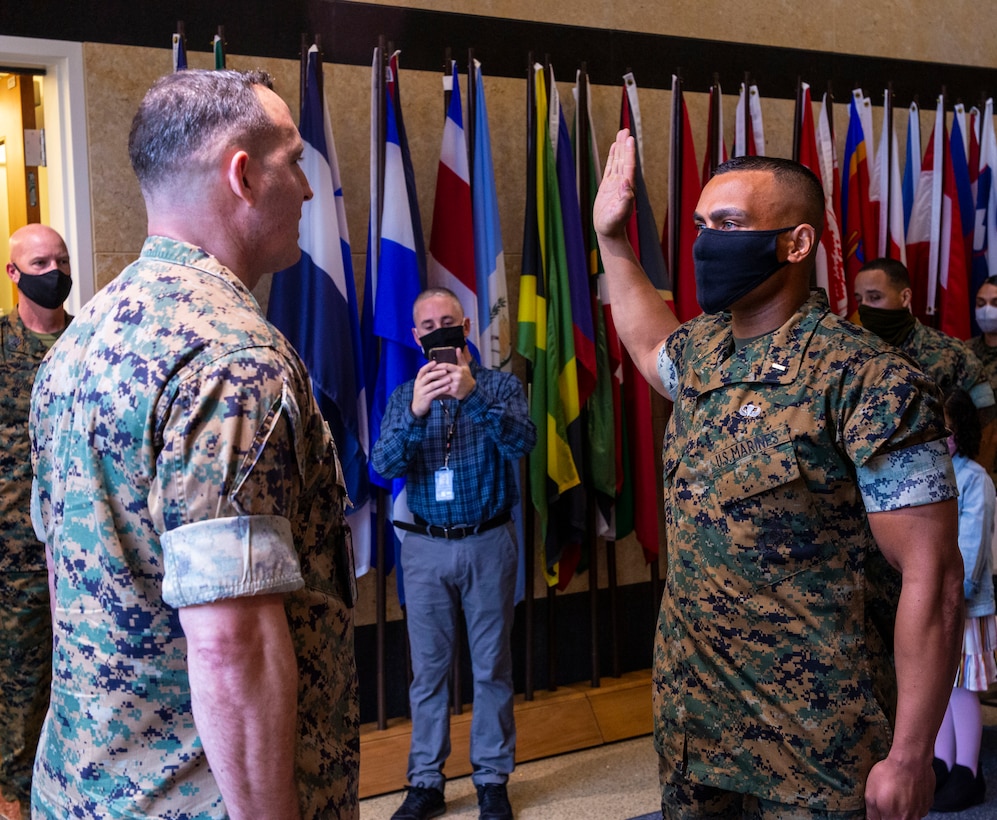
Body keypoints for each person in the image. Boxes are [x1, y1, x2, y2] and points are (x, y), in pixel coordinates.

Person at [593, 130, 965, 819]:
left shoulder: (868, 379)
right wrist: (612, 240)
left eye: (729, 226)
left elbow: (933, 577)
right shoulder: (704, 350)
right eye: (701, 226)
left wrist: (911, 753)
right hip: (694, 723)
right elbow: (648, 342)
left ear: (795, 244)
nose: (707, 244)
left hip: (815, 743)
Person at [28, 69, 358, 819]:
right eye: (295, 161)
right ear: (243, 174)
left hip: (83, 789)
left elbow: (67, 580)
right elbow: (229, 643)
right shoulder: (232, 361)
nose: (308, 190)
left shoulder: (79, 343)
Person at [370, 287, 536, 820]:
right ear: (416, 336)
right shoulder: (403, 396)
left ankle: (491, 779)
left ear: (465, 327)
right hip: (424, 549)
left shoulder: (498, 386)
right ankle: (426, 783)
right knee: (429, 673)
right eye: (428, 325)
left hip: (489, 542)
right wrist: (419, 411)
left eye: (448, 321)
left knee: (491, 667)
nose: (438, 330)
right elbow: (383, 464)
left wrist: (473, 397)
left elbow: (522, 443)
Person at [0, 224, 73, 819]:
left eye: (61, 259)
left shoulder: (93, 343)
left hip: (83, 549)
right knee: (20, 689)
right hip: (12, 557)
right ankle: (15, 801)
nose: (54, 271)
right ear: (14, 273)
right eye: (40, 261)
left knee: (86, 675)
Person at [854, 257, 997, 471]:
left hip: (936, 484)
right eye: (859, 299)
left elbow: (987, 428)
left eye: (875, 297)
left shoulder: (951, 354)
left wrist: (968, 488)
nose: (865, 307)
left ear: (905, 297)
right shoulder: (853, 353)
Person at [931, 387, 997, 812]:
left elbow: (971, 549)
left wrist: (954, 593)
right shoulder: (935, 473)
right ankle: (941, 763)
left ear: (963, 431)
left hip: (965, 603)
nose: (941, 437)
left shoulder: (975, 477)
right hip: (933, 598)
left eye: (948, 430)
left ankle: (969, 772)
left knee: (961, 690)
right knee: (937, 686)